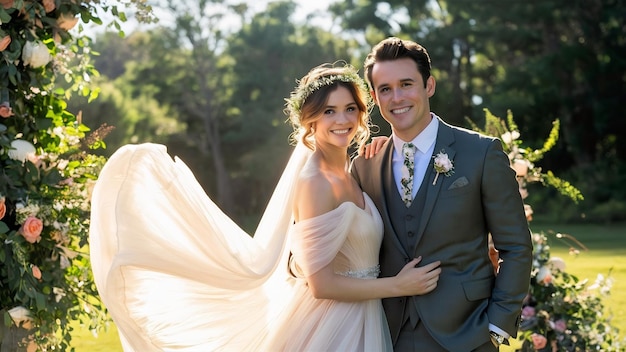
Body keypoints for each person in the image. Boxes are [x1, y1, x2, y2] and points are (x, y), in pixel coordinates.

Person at [89, 62, 441, 351]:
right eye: (329, 111)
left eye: (350, 109)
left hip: (364, 316)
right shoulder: (314, 181)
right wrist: (398, 286)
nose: (342, 120)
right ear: (310, 120)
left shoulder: (349, 171)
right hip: (332, 326)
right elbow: (320, 284)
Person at [351, 37, 533, 351]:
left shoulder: (480, 152)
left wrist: (497, 324)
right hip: (385, 335)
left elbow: (515, 245)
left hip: (467, 333)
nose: (397, 97)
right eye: (385, 89)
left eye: (406, 84)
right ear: (374, 97)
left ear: (429, 86)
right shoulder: (364, 167)